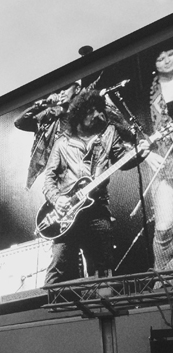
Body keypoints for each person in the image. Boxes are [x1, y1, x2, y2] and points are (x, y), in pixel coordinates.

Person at [42, 88, 150, 284]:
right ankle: (52, 312)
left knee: (103, 270)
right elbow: (48, 179)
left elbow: (122, 161)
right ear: (80, 113)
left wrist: (141, 153)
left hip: (97, 210)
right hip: (67, 215)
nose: (98, 115)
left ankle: (103, 311)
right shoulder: (62, 143)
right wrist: (58, 200)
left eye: (100, 111)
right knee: (58, 268)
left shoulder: (108, 133)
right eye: (92, 111)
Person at [15, 81, 82, 189]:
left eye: (65, 88)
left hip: (66, 181)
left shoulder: (81, 120)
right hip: (42, 177)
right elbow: (19, 123)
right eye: (59, 89)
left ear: (77, 90)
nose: (61, 92)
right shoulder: (49, 115)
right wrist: (43, 104)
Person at [149, 46, 173, 273]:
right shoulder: (152, 90)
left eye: (170, 55)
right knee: (164, 227)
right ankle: (162, 275)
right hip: (166, 163)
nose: (167, 61)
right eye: (160, 58)